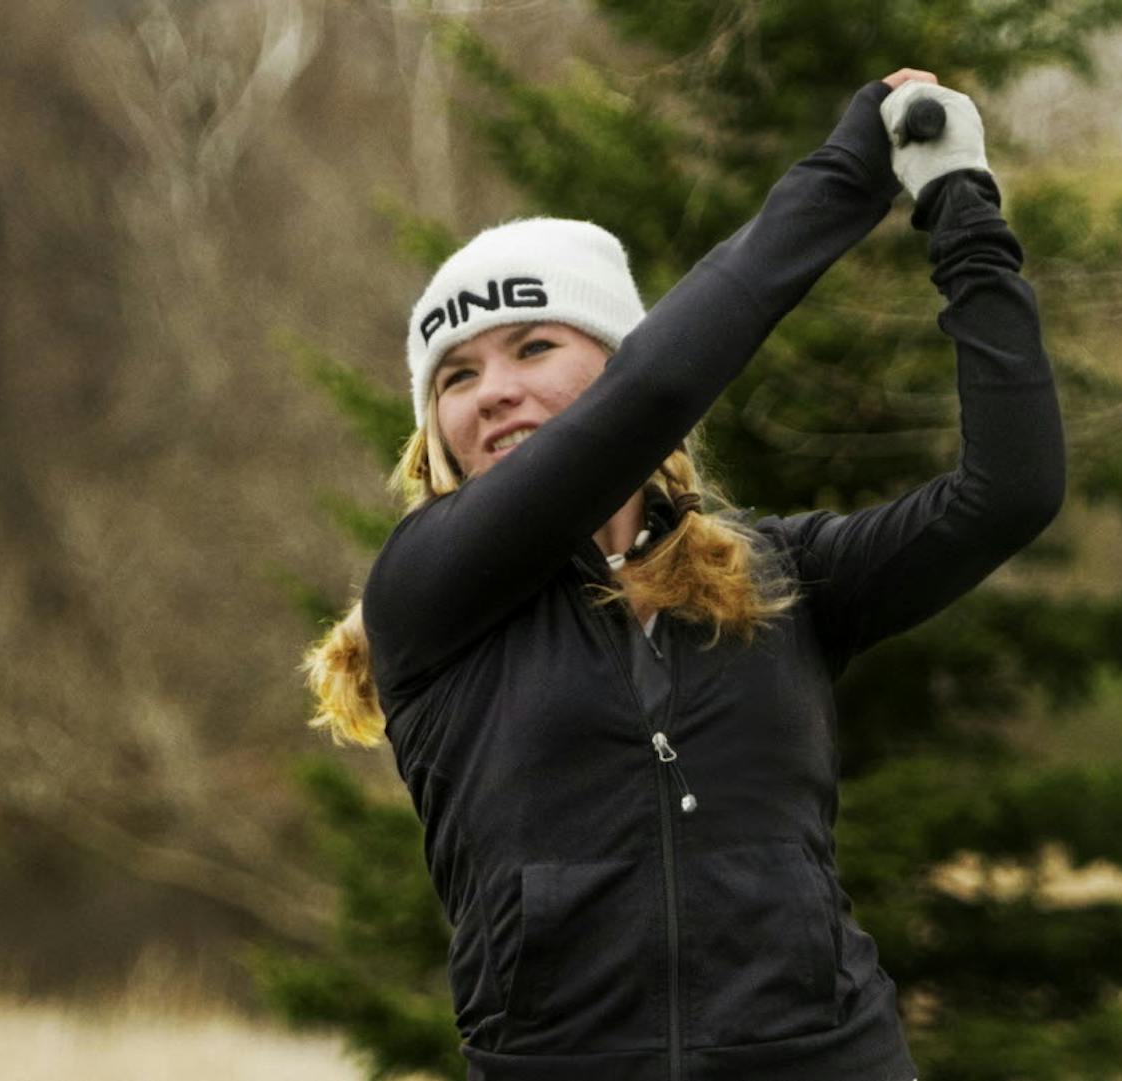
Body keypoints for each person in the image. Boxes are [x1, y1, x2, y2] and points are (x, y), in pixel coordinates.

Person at [302, 67, 1064, 1081]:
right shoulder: (428, 593)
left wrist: (959, 207)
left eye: (534, 345)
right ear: (430, 430)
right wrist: (848, 173)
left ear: (610, 361)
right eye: (455, 375)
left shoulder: (779, 576)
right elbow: (659, 383)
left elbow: (1007, 493)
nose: (493, 392)